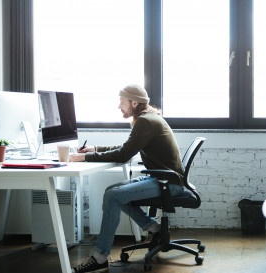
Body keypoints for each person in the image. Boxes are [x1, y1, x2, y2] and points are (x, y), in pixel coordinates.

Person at [69, 84, 186, 273]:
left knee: (114, 196)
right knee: (112, 193)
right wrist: (95, 149)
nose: (119, 106)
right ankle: (154, 229)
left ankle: (99, 257)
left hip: (168, 183)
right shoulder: (148, 118)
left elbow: (124, 155)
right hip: (163, 179)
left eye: (122, 102)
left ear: (134, 102)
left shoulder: (146, 121)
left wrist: (84, 157)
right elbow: (127, 148)